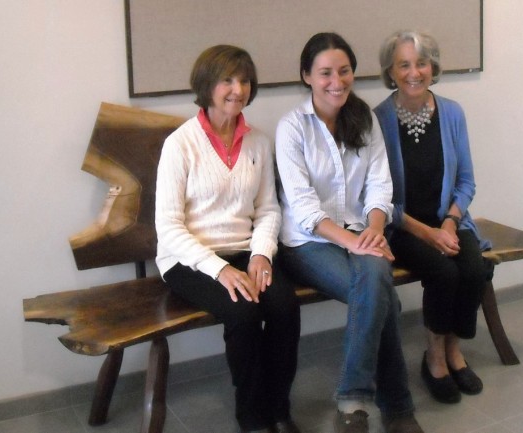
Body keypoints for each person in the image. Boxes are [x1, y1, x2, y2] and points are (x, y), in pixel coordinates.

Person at [275, 32, 424, 433]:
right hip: (307, 242)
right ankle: (397, 408)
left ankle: (354, 402)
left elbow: (380, 186)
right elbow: (304, 208)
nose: (336, 82)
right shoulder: (292, 128)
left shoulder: (365, 119)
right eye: (325, 73)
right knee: (383, 298)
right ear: (307, 75)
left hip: (361, 231)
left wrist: (374, 231)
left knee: (375, 283)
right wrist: (358, 243)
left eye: (344, 71)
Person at [155, 45, 301, 433]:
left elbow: (269, 210)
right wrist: (219, 270)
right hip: (189, 260)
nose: (238, 89)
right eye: (227, 80)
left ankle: (279, 407)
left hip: (245, 253)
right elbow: (168, 227)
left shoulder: (258, 141)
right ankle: (253, 416)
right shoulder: (180, 145)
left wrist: (262, 256)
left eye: (245, 80)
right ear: (206, 85)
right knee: (243, 311)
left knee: (285, 305)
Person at [373, 31, 492, 405]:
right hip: (404, 227)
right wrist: (428, 233)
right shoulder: (379, 119)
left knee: (474, 268)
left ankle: (455, 351)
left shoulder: (452, 112)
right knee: (443, 272)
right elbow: (380, 198)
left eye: (421, 63)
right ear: (390, 72)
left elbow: (467, 182)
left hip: (448, 222)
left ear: (433, 67)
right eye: (403, 64)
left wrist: (450, 223)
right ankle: (435, 358)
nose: (414, 72)